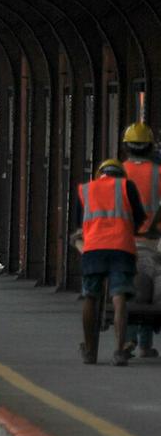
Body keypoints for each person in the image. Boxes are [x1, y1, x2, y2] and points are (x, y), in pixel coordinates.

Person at [78, 158, 147, 366]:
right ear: (120, 174)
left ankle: (90, 352)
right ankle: (118, 351)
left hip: (93, 249)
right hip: (121, 248)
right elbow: (139, 218)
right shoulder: (127, 186)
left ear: (101, 174)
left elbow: (79, 223)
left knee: (90, 296)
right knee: (119, 297)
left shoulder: (86, 189)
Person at [121, 122, 161, 357]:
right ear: (149, 147)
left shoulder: (117, 173)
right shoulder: (158, 173)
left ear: (126, 147)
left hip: (124, 240)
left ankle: (129, 339)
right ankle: (145, 344)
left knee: (132, 286)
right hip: (153, 241)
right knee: (151, 285)